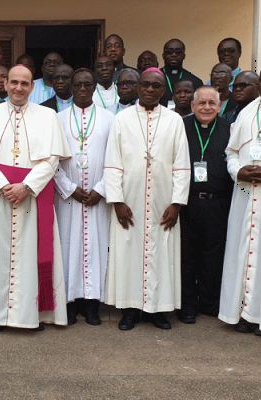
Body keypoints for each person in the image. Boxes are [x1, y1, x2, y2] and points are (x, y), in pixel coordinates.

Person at [0, 65, 70, 331]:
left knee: (30, 255)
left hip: (32, 197)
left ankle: (28, 314)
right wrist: (3, 186)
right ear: (4, 84)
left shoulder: (48, 116)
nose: (18, 88)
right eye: (13, 82)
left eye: (24, 83)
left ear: (32, 87)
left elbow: (52, 160)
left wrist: (26, 186)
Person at [103, 67, 190, 331]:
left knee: (162, 252)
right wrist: (117, 201)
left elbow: (182, 165)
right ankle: (130, 309)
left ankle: (158, 310)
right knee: (128, 251)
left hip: (163, 201)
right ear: (138, 86)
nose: (150, 90)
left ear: (164, 91)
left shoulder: (174, 121)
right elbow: (112, 163)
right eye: (145, 85)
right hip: (128, 200)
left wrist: (176, 203)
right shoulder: (122, 119)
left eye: (156, 86)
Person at [219, 61, 261, 337]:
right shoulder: (246, 112)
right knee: (241, 251)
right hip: (245, 193)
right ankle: (243, 313)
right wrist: (238, 171)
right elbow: (231, 153)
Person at [54, 68, 113, 325]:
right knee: (68, 247)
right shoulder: (57, 119)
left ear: (94, 87)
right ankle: (69, 303)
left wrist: (101, 188)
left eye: (87, 84)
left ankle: (91, 305)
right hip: (68, 198)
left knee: (95, 248)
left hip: (97, 198)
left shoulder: (110, 119)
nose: (81, 89)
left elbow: (116, 159)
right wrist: (69, 188)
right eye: (77, 84)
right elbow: (50, 160)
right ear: (71, 86)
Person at [179, 86, 233, 324]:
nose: (207, 107)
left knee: (214, 254)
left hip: (217, 203)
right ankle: (187, 304)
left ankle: (209, 302)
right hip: (187, 202)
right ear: (192, 106)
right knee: (187, 255)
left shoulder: (230, 130)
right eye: (201, 103)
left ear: (219, 106)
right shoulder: (181, 126)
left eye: (212, 103)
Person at [160, 39, 203, 108]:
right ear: (163, 55)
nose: (174, 55)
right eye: (170, 52)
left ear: (184, 56)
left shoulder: (195, 81)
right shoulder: (155, 78)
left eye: (178, 52)